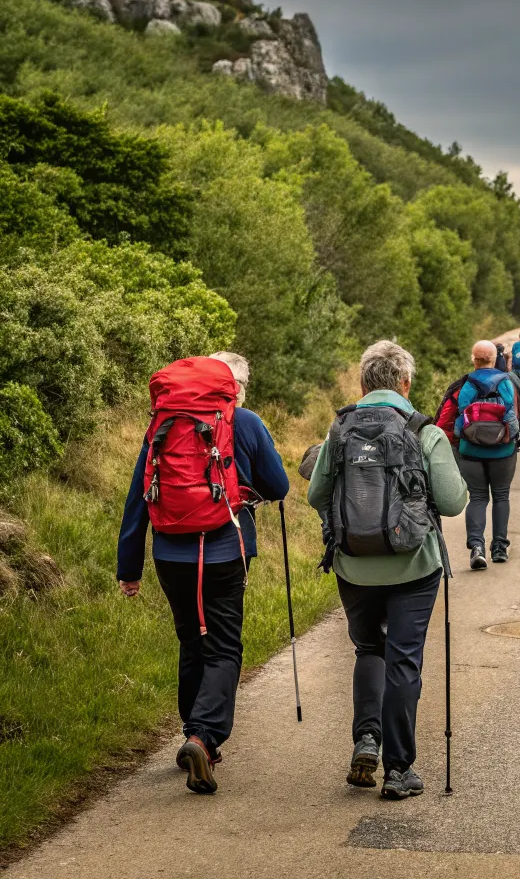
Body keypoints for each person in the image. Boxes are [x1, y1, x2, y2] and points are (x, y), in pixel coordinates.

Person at [117, 352, 289, 793]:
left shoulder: (163, 423)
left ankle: (191, 732)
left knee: (192, 640)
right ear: (236, 387)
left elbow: (139, 497)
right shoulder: (245, 422)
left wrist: (129, 567)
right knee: (225, 647)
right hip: (225, 550)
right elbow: (280, 486)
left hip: (170, 553)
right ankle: (203, 736)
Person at [306, 341, 467, 800]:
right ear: (406, 383)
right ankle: (399, 771)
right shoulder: (423, 431)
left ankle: (367, 740)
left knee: (368, 648)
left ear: (362, 384)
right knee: (404, 659)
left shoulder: (340, 428)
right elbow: (454, 502)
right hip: (413, 565)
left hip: (353, 566)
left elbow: (317, 494)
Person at [455, 340, 520, 569]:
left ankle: (477, 547)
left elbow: (462, 412)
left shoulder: (467, 384)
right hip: (502, 449)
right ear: (495, 358)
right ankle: (500, 547)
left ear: (473, 359)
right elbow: (511, 412)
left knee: (478, 498)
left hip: (471, 450)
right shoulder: (506, 382)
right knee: (501, 496)